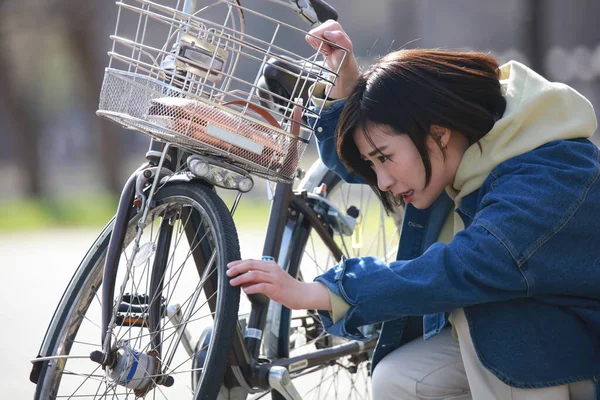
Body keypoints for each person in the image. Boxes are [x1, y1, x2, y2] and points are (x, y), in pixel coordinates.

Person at [227, 20, 600, 400]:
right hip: (549, 343)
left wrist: (322, 292)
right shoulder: (465, 148)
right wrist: (347, 92)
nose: (383, 181)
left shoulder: (550, 173)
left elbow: (463, 269)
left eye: (385, 159)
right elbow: (370, 157)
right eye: (376, 165)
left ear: (438, 134)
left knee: (494, 323)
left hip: (582, 350)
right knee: (398, 379)